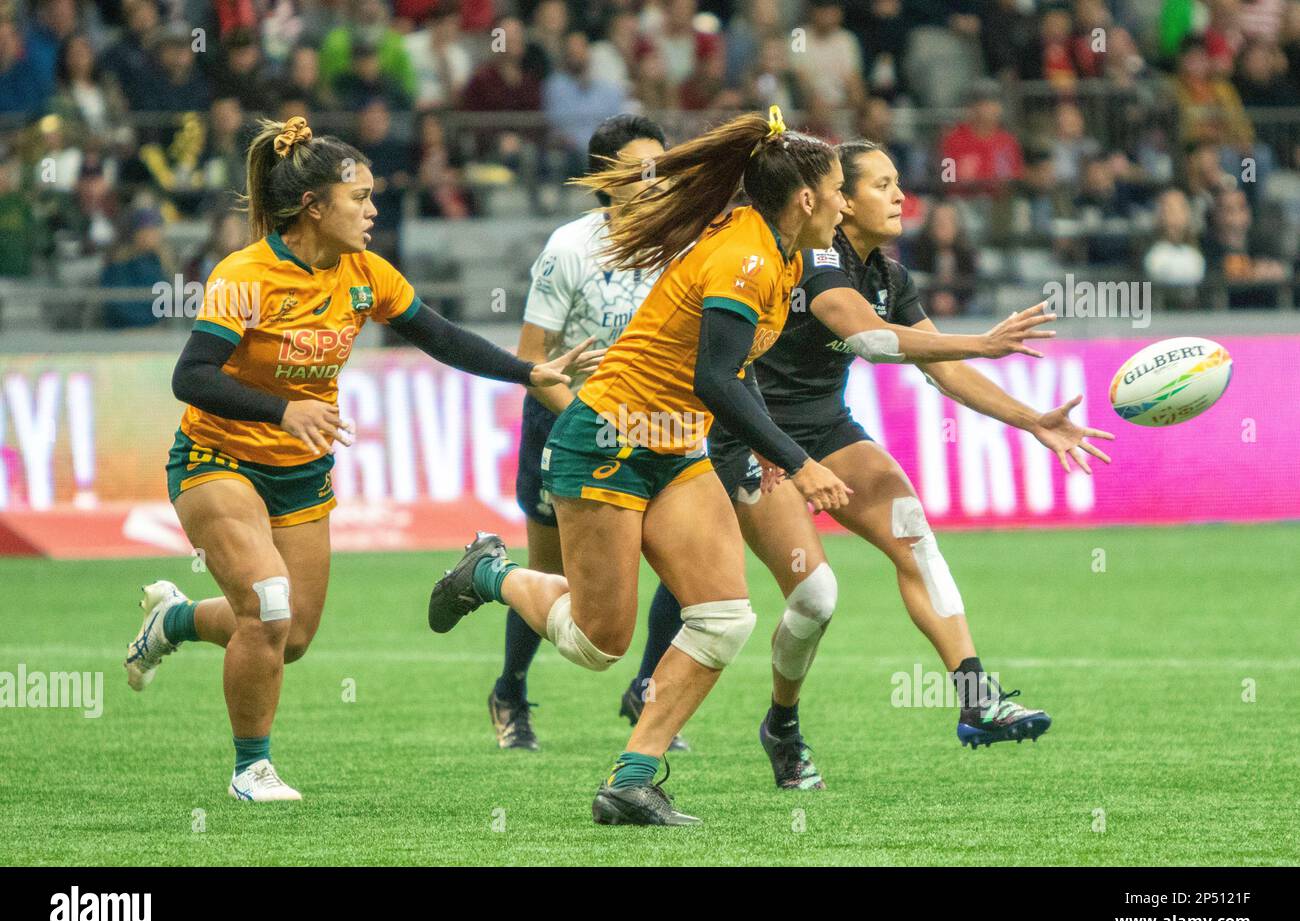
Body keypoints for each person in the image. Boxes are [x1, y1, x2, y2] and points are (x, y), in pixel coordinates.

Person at [122, 116, 598, 802]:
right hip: (215, 459)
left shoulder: (364, 273)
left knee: (290, 635)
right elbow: (191, 376)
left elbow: (438, 335)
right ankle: (251, 769)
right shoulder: (245, 275)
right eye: (360, 198)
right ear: (315, 207)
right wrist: (284, 410)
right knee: (268, 602)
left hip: (300, 473)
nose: (374, 210)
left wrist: (530, 374)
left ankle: (172, 620)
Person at [428, 107, 851, 825]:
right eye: (839, 189)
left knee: (722, 617)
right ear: (805, 198)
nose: (843, 204)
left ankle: (630, 779)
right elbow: (717, 378)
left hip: (675, 443)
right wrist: (795, 457)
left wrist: (759, 439)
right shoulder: (748, 254)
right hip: (607, 439)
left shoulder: (776, 252)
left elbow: (728, 370)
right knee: (599, 645)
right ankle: (488, 574)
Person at [703, 141, 1113, 787]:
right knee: (815, 598)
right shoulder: (812, 258)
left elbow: (942, 372)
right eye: (880, 184)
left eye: (898, 182)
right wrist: (985, 339)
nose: (899, 196)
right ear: (842, 203)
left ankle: (977, 696)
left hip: (826, 427)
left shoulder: (891, 276)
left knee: (912, 529)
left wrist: (1033, 420)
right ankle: (782, 723)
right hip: (755, 435)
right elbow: (866, 335)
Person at [490, 113, 689, 753]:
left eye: (662, 166)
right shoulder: (570, 248)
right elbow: (532, 361)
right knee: (556, 579)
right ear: (605, 180)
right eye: (640, 169)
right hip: (568, 425)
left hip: (657, 426)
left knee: (691, 567)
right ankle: (511, 691)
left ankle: (646, 694)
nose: (656, 181)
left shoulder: (682, 243)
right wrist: (588, 416)